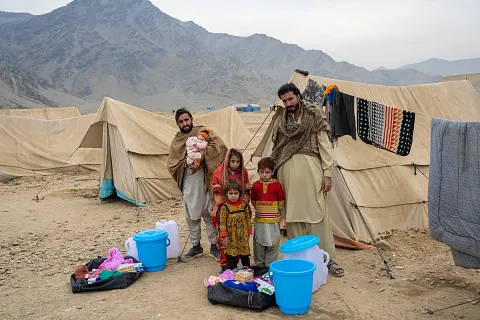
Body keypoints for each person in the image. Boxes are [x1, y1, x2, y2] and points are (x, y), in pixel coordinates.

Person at [270, 83, 345, 277]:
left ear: (298, 97)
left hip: (312, 172)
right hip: (287, 174)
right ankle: (300, 260)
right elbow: (277, 149)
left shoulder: (314, 116)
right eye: (284, 101)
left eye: (291, 99)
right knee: (293, 217)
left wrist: (327, 173)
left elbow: (325, 147)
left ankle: (328, 260)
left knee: (317, 216)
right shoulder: (281, 121)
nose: (288, 104)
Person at [167, 108, 227, 261]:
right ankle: (196, 246)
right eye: (181, 121)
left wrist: (202, 156)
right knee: (191, 216)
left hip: (206, 181)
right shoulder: (177, 141)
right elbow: (172, 164)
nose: (185, 123)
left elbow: (220, 147)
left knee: (209, 213)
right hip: (189, 182)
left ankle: (214, 245)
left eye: (186, 120)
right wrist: (188, 161)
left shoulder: (203, 132)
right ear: (177, 123)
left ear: (191, 119)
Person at [211, 148, 251, 272]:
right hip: (225, 208)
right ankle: (225, 266)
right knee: (225, 240)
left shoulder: (243, 172)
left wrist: (241, 202)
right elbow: (215, 188)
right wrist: (227, 201)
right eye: (232, 161)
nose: (235, 164)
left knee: (239, 241)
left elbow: (246, 190)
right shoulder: (219, 172)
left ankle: (241, 268)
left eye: (238, 162)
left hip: (239, 210)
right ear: (228, 160)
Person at [251, 157, 285, 267]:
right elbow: (254, 200)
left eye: (267, 172)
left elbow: (281, 200)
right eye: (262, 172)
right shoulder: (256, 185)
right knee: (259, 243)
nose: (264, 175)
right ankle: (260, 265)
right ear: (258, 172)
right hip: (260, 221)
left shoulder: (277, 185)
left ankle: (270, 266)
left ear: (272, 172)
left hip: (273, 221)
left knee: (273, 243)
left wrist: (276, 212)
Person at [219, 180, 252, 270]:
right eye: (230, 193)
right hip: (231, 237)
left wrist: (249, 231)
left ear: (240, 193)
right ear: (226, 194)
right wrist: (224, 236)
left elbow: (247, 219)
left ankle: (248, 273)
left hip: (243, 236)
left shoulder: (244, 205)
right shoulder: (225, 207)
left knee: (244, 255)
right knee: (232, 257)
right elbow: (222, 222)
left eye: (236, 193)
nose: (233, 196)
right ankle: (233, 275)